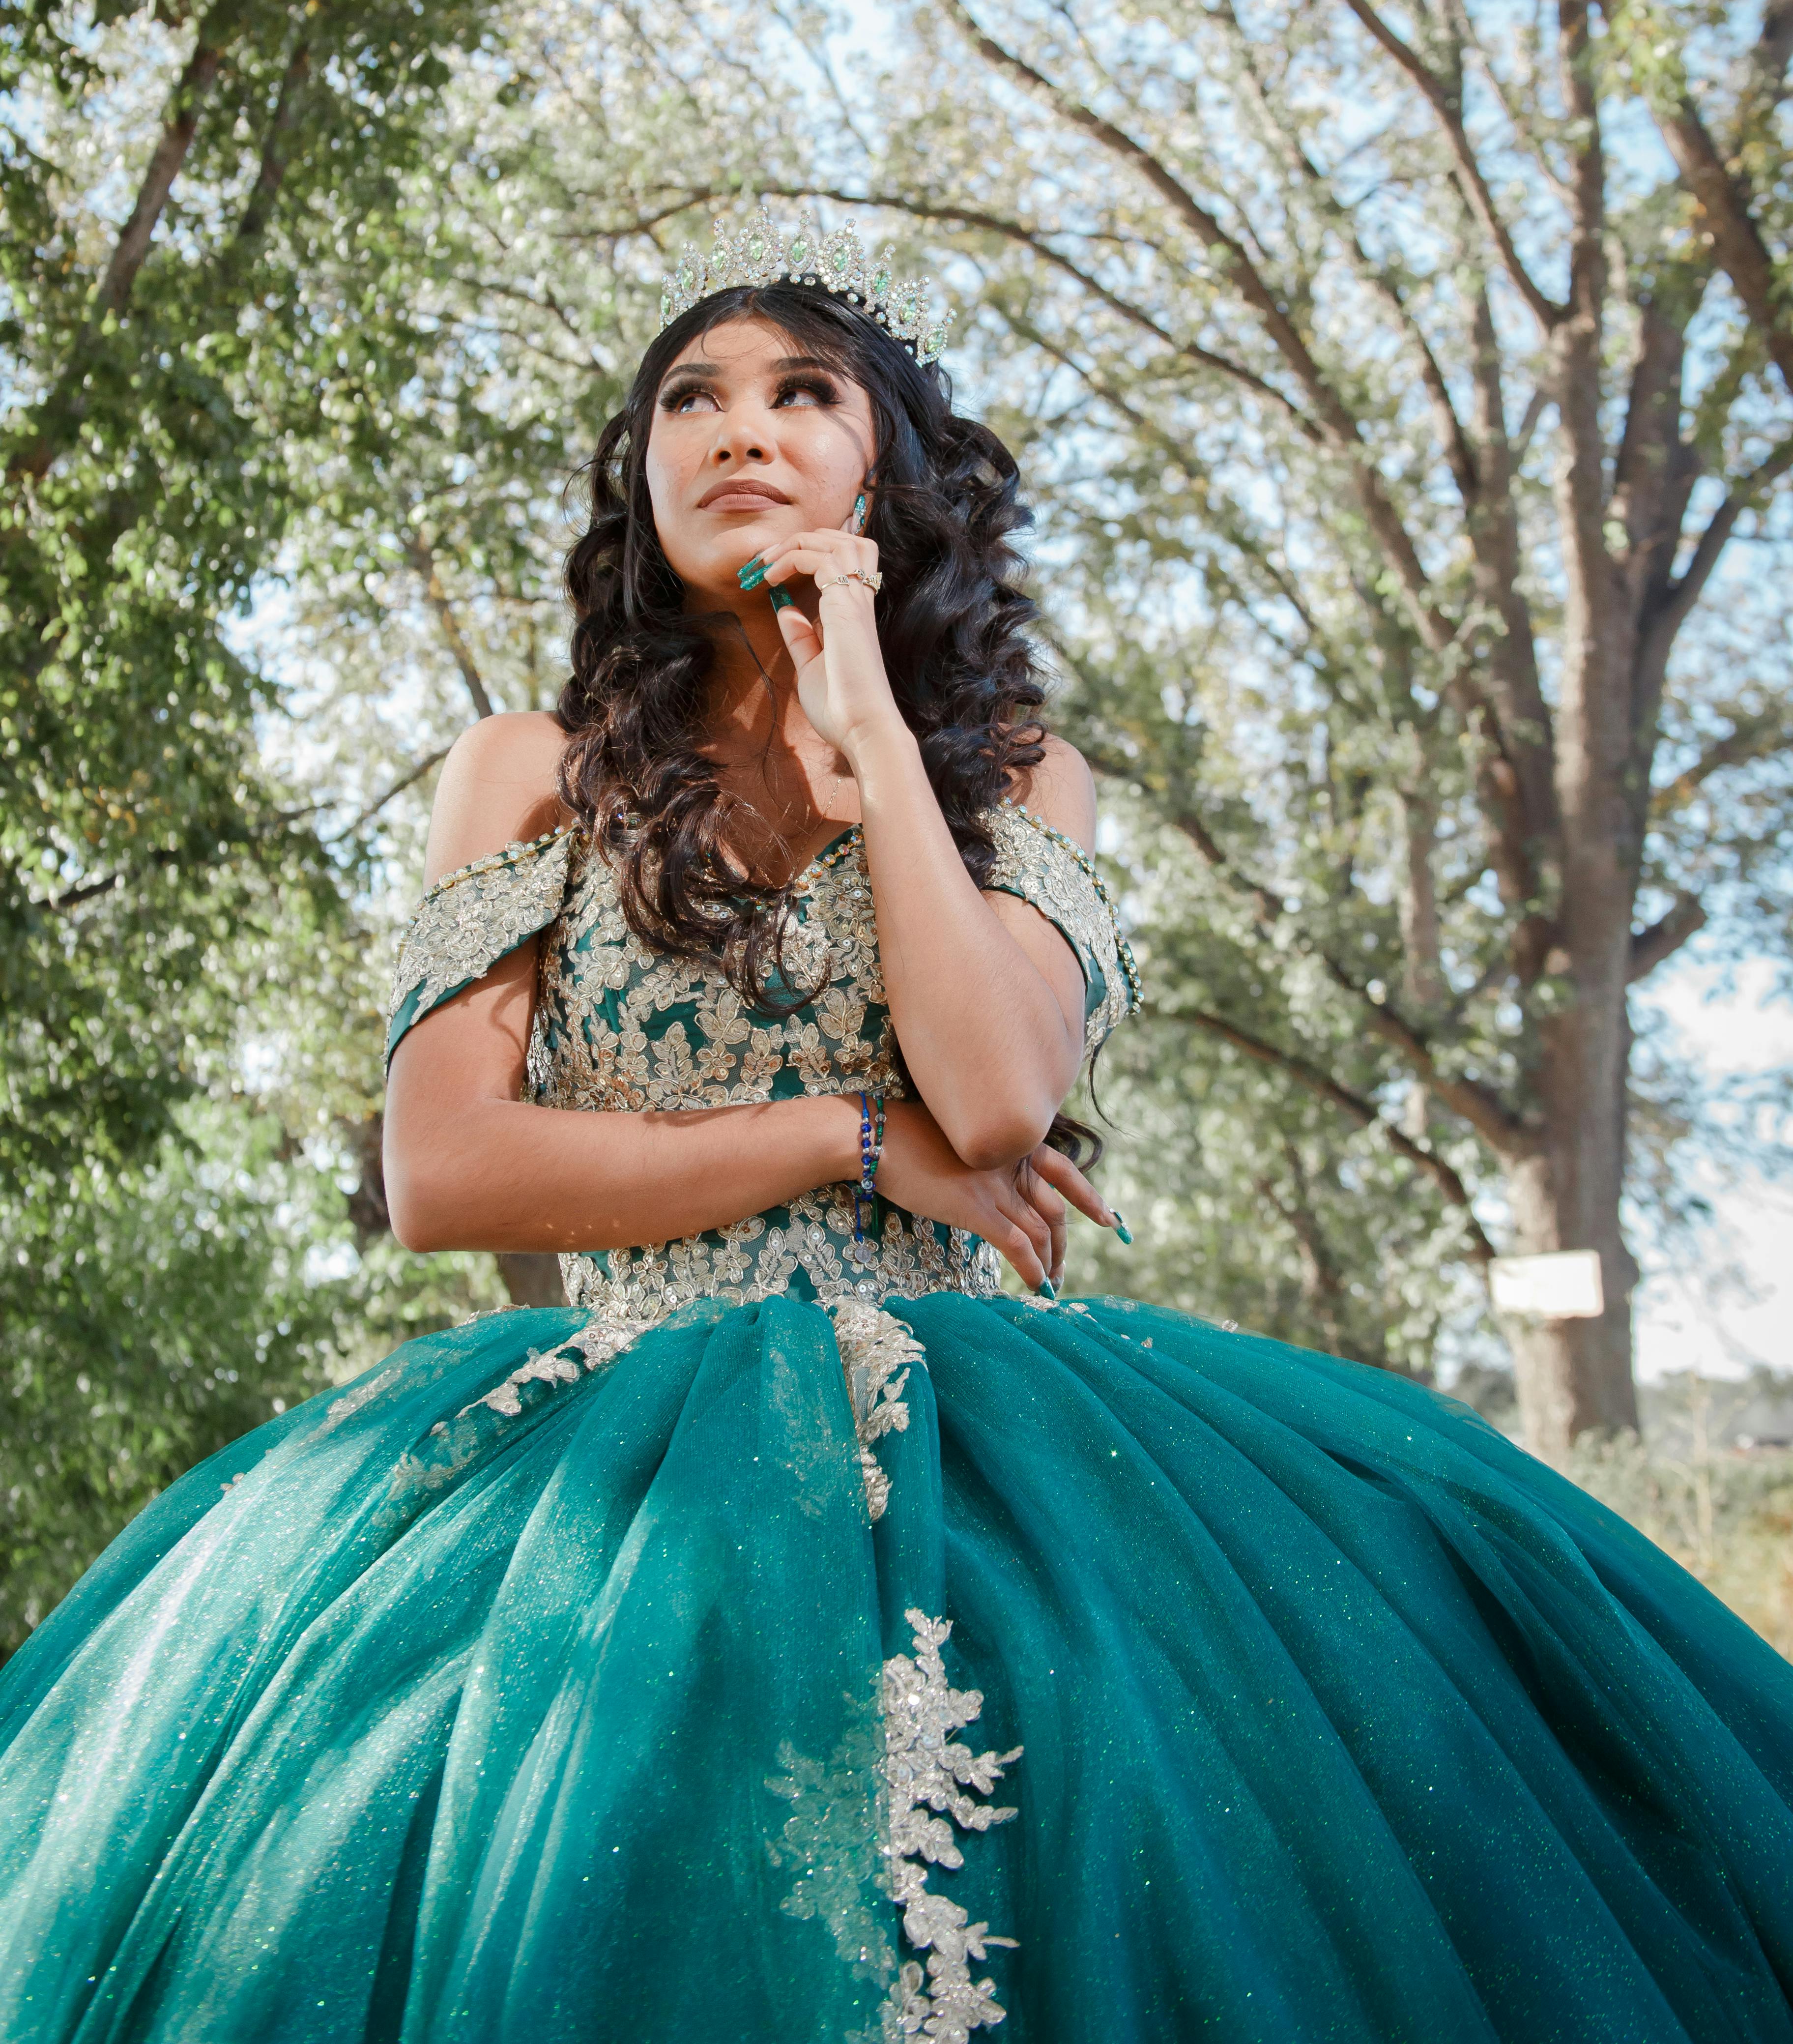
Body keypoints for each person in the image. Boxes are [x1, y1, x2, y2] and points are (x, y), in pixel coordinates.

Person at [1, 212, 1790, 2044]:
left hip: (1004, 1462)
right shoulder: (524, 772)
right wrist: (846, 1136)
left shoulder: (1017, 777)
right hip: (615, 1449)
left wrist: (872, 737)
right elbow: (445, 1173)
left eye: (801, 392)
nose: (735, 429)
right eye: (686, 401)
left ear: (892, 469)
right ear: (640, 482)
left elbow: (1005, 1093)